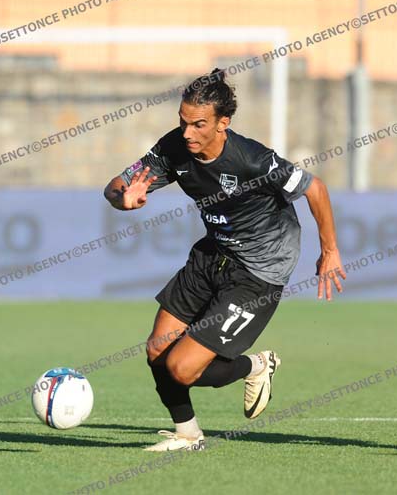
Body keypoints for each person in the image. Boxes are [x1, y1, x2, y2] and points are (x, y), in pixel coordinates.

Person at [104, 68, 346, 451]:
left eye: (198, 124)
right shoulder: (173, 147)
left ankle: (256, 365)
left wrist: (329, 251)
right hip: (214, 252)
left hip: (258, 271)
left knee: (181, 367)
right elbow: (115, 187)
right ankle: (187, 434)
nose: (188, 133)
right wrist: (124, 199)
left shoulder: (252, 160)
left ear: (223, 123)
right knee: (157, 350)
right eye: (183, 122)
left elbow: (315, 188)